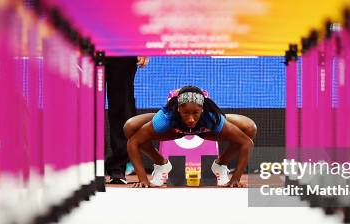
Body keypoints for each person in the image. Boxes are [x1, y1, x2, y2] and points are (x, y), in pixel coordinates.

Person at [124, 86, 256, 188]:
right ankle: (160, 163)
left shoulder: (212, 117)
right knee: (129, 127)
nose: (191, 119)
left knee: (249, 128)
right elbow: (133, 142)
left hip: (205, 130)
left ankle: (221, 165)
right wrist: (143, 179)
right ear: (178, 110)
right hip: (174, 130)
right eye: (186, 113)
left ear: (202, 110)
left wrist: (235, 179)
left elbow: (247, 142)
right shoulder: (165, 118)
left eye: (195, 113)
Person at [105, 56, 148, 184]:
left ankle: (117, 167)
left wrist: (144, 48)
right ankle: (90, 164)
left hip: (123, 49)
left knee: (122, 106)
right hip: (90, 46)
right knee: (88, 105)